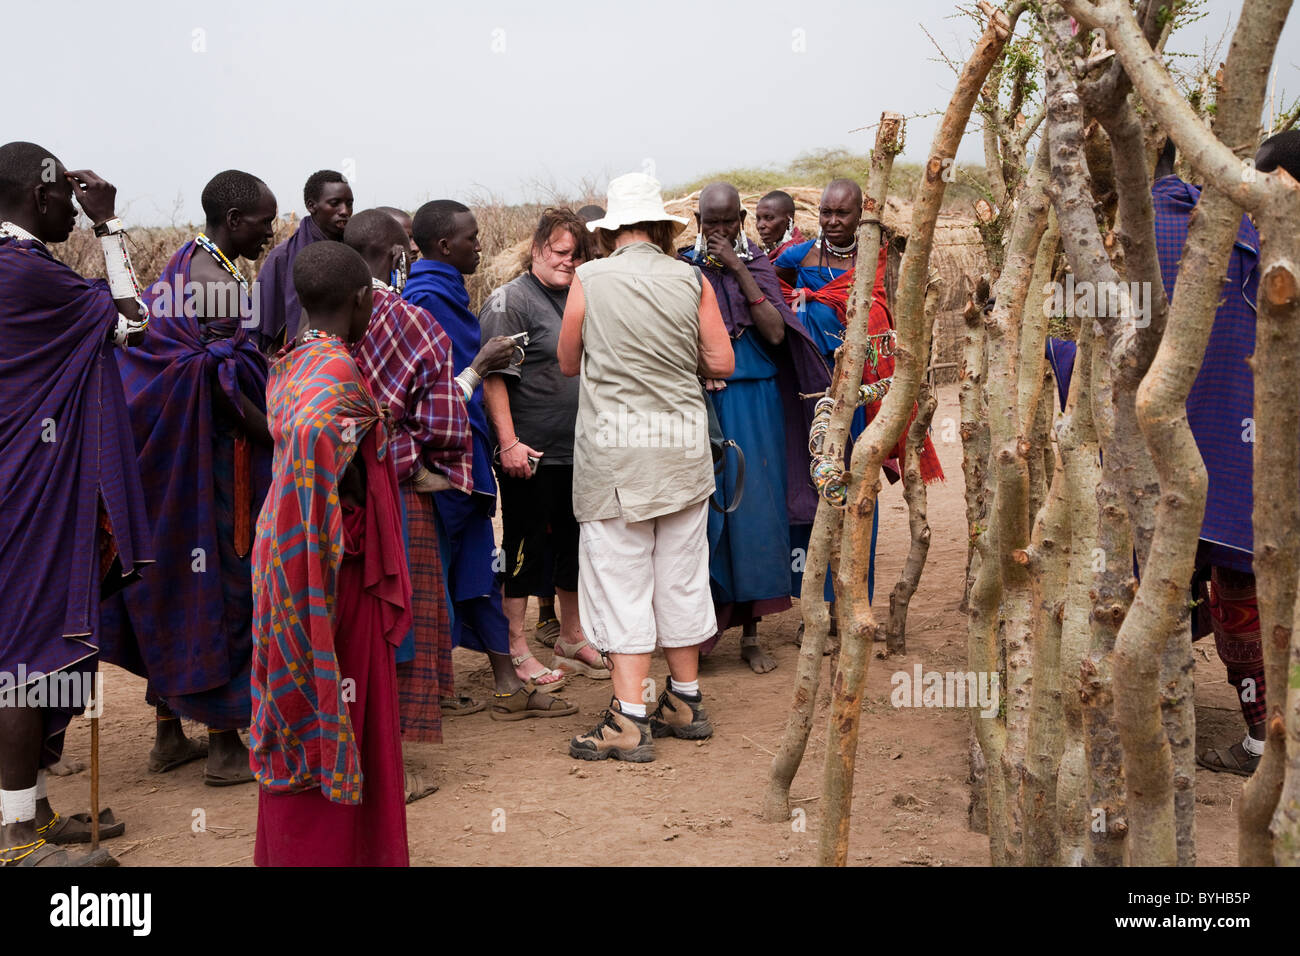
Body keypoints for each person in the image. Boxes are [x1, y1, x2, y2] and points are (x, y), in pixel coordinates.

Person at [1046, 133, 1300, 776]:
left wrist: (1059, 356)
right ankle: (1252, 729)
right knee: (1236, 578)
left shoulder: (1167, 225)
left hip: (1173, 441)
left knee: (1161, 571)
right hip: (1255, 452)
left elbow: (1108, 335)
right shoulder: (1239, 237)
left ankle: (1157, 704)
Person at [0, 142, 153, 865]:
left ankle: (30, 807)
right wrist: (109, 224)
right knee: (25, 658)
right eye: (67, 198)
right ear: (40, 195)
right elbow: (133, 320)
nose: (73, 207)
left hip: (25, 481)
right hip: (24, 494)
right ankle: (14, 836)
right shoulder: (27, 275)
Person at [100, 170, 277, 787]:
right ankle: (227, 747)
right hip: (215, 466)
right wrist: (274, 435)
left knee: (177, 580)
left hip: (179, 460)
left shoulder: (189, 262)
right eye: (262, 221)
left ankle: (168, 735)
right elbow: (222, 384)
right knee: (226, 590)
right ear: (233, 222)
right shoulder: (215, 283)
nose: (270, 232)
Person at [560, 171, 734, 762]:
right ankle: (685, 700)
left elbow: (565, 360)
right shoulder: (692, 279)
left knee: (620, 580)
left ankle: (628, 718)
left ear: (612, 231)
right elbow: (723, 360)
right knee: (681, 575)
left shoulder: (588, 278)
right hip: (681, 451)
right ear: (661, 228)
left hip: (616, 456)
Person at [250, 240, 410, 866]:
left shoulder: (291, 364)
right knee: (341, 708)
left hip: (287, 564)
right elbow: (329, 456)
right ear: (362, 299)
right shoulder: (340, 375)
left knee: (308, 703)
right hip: (332, 577)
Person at [403, 199, 578, 719]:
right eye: (472, 237)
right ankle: (500, 675)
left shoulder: (449, 291)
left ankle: (487, 679)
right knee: (464, 567)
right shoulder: (427, 299)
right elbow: (430, 391)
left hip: (472, 452)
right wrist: (482, 368)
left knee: (475, 565)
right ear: (443, 246)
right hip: (443, 460)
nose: (480, 245)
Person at [774, 178, 943, 615]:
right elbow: (769, 289)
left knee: (856, 492)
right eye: (826, 212)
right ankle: (814, 608)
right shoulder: (800, 256)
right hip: (810, 398)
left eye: (841, 213)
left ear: (860, 216)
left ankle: (848, 607)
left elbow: (883, 320)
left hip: (859, 397)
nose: (831, 221)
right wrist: (800, 304)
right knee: (813, 496)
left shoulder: (875, 264)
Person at [680, 183, 830, 673]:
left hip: (757, 400)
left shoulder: (760, 266)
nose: (718, 231)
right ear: (698, 220)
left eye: (727, 222)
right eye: (710, 222)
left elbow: (773, 331)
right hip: (705, 403)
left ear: (741, 219)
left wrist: (741, 270)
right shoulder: (684, 269)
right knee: (705, 514)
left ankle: (750, 633)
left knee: (755, 512)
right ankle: (701, 636)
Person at [481, 208, 610, 681]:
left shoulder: (582, 292)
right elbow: (494, 376)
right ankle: (515, 646)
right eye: (560, 252)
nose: (569, 262)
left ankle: (571, 635)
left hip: (578, 449)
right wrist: (509, 442)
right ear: (537, 249)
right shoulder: (509, 301)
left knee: (574, 546)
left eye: (577, 254)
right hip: (529, 453)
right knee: (523, 549)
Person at [255, 169, 353, 350]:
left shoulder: (355, 252)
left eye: (349, 204)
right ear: (311, 205)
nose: (345, 211)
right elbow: (259, 324)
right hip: (294, 365)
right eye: (335, 203)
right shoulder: (282, 257)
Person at [755, 190, 805, 259]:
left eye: (769, 218)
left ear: (788, 221)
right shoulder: (778, 252)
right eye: (758, 219)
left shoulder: (793, 255)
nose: (760, 225)